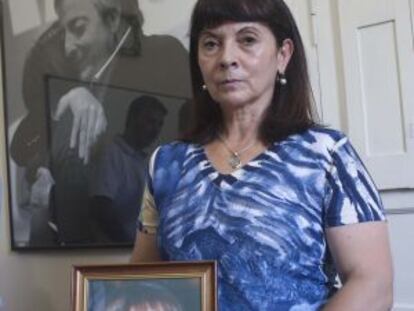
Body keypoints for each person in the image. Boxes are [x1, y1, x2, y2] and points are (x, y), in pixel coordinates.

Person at [131, 0, 394, 310]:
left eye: (247, 39)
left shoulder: (325, 155)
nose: (227, 58)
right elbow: (142, 276)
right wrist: (144, 299)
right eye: (211, 43)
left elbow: (373, 284)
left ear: (283, 55)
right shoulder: (166, 164)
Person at [11, 0, 191, 245]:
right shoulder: (69, 67)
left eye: (78, 27)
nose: (67, 46)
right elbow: (22, 146)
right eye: (66, 31)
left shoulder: (163, 55)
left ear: (114, 19)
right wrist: (66, 95)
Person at [90, 95, 167, 243]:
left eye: (160, 124)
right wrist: (128, 245)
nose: (155, 130)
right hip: (117, 253)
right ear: (132, 119)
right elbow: (101, 210)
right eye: (150, 121)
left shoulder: (146, 160)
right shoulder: (110, 154)